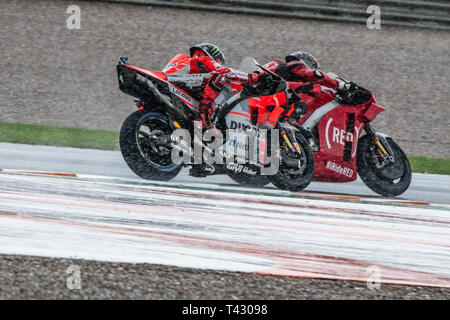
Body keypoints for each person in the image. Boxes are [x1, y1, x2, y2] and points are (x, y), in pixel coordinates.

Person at [163, 43, 259, 129]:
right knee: (220, 77)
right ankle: (204, 119)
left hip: (172, 86)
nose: (219, 64)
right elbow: (224, 72)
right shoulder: (204, 59)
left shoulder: (184, 64)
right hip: (171, 82)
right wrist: (251, 77)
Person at [260, 51, 357, 128]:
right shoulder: (295, 65)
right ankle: (292, 116)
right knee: (314, 87)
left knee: (273, 141)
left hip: (266, 100)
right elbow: (314, 75)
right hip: (274, 96)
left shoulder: (274, 66)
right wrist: (339, 85)